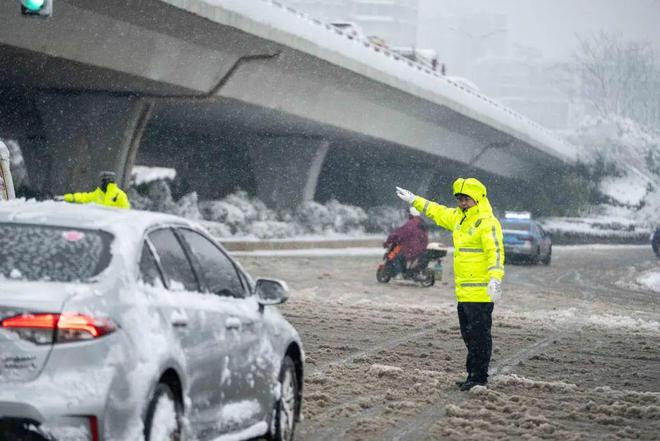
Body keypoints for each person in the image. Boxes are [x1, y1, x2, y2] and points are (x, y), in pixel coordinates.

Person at [395, 178, 504, 391]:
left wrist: (495, 278)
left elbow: (496, 252)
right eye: (460, 199)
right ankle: (472, 374)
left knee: (480, 337)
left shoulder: (487, 222)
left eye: (466, 199)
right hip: (464, 292)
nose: (462, 203)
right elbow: (437, 211)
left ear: (478, 199)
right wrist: (415, 200)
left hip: (481, 293)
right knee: (469, 335)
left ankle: (479, 377)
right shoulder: (459, 219)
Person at [383, 206, 429, 277]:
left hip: (411, 249)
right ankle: (409, 272)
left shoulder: (411, 224)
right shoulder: (422, 223)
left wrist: (388, 242)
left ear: (410, 214)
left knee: (395, 256)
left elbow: (399, 234)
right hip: (422, 249)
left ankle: (399, 274)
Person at [60, 171, 131, 209]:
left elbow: (125, 211)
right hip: (99, 225)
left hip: (111, 225)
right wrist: (68, 197)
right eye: (102, 181)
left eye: (103, 181)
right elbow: (84, 197)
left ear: (108, 181)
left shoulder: (119, 195)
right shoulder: (98, 194)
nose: (102, 183)